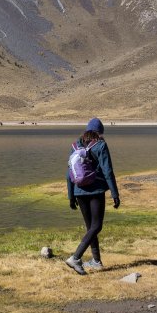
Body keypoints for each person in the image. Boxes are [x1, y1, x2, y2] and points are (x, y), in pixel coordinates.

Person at [65, 117, 120, 275]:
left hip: (79, 191)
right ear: (100, 132)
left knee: (91, 228)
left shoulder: (75, 145)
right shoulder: (100, 145)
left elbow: (69, 174)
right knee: (97, 226)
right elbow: (108, 171)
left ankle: (96, 261)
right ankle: (76, 257)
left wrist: (71, 195)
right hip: (95, 191)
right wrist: (115, 194)